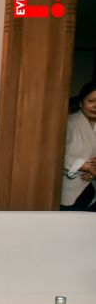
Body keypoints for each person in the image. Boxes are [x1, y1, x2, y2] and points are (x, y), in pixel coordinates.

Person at [61, 80, 96, 210]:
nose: (95, 106)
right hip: (70, 190)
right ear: (81, 103)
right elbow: (56, 156)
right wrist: (86, 167)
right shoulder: (68, 123)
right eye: (91, 101)